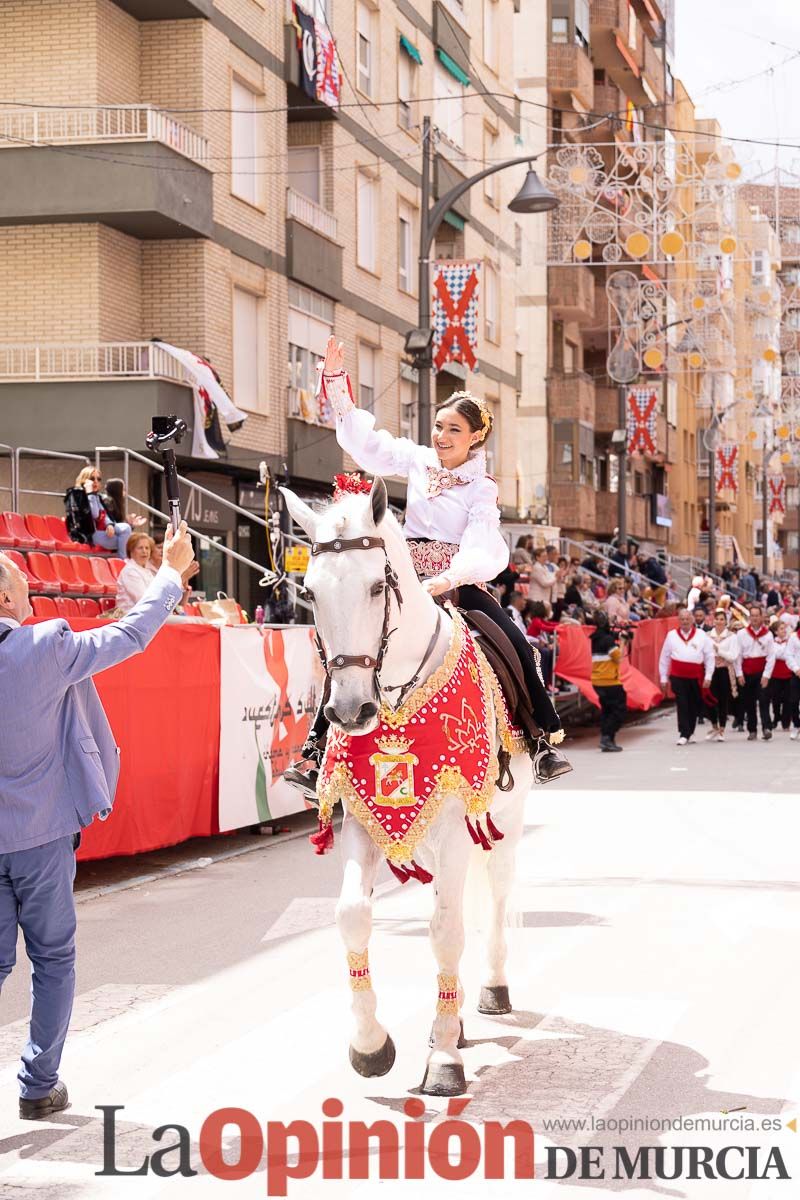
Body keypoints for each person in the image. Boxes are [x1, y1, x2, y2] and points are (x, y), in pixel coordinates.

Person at [0, 522, 193, 1119]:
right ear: (6, 600)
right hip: (40, 836)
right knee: (53, 957)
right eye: (17, 581)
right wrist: (170, 574)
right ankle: (38, 1086)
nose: (29, 586)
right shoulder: (42, 647)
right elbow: (131, 633)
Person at [658, 607, 714, 746]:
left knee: (693, 704)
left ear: (692, 620)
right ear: (678, 621)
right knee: (682, 703)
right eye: (682, 619)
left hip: (695, 676)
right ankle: (684, 733)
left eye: (687, 619)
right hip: (678, 676)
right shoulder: (671, 635)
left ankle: (691, 731)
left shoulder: (701, 635)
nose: (685, 622)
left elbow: (709, 656)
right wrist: (663, 677)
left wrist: (708, 676)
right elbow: (664, 657)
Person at [734, 604, 775, 741]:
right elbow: (737, 655)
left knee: (764, 700)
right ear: (749, 617)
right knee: (749, 702)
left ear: (762, 617)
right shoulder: (741, 634)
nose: (755, 618)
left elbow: (771, 657)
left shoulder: (768, 635)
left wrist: (766, 675)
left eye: (757, 615)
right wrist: (739, 673)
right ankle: (752, 730)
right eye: (752, 616)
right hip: (747, 672)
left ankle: (766, 728)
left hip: (761, 672)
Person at [73, 467, 133, 560]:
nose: (96, 481)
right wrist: (90, 494)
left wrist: (109, 524)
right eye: (92, 479)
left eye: (98, 479)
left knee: (126, 528)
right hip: (89, 534)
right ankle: (123, 561)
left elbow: (103, 513)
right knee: (125, 541)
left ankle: (123, 560)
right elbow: (95, 514)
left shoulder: (96, 496)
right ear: (85, 480)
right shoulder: (78, 495)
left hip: (100, 529)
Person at [590, 613, 626, 753]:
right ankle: (607, 737)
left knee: (607, 710)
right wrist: (623, 642)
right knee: (619, 710)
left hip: (597, 681)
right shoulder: (607, 640)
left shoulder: (595, 638)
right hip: (610, 681)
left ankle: (608, 739)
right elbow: (618, 657)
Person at [705, 608, 739, 741]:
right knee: (710, 699)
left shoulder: (732, 637)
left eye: (722, 619)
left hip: (724, 670)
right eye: (717, 619)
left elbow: (732, 656)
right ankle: (714, 725)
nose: (719, 622)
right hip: (710, 670)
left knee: (723, 700)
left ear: (726, 621)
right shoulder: (707, 636)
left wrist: (719, 651)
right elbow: (706, 654)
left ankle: (722, 729)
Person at [115, 533, 157, 614]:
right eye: (140, 548)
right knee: (186, 621)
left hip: (147, 614)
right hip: (130, 616)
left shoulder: (147, 571)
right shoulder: (130, 571)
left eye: (147, 548)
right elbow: (143, 600)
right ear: (131, 551)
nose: (144, 551)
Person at [769, 619, 793, 733]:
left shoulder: (790, 641)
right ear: (776, 631)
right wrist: (783, 653)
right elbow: (775, 655)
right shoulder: (772, 642)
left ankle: (786, 721)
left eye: (785, 628)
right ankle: (776, 716)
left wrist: (783, 654)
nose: (784, 631)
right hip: (775, 673)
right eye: (781, 629)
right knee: (776, 698)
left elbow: (788, 655)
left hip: (788, 672)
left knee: (788, 699)